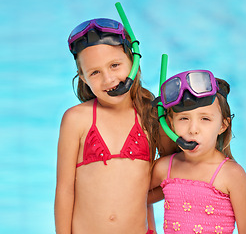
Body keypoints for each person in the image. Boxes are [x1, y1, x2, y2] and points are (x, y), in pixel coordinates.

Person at [54, 17, 174, 234]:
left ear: (133, 60)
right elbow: (64, 191)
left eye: (115, 65)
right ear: (83, 77)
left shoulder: (151, 117)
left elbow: (170, 178)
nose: (108, 79)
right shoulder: (76, 119)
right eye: (95, 72)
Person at [149, 69, 246, 233]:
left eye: (205, 119)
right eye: (184, 118)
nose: (193, 129)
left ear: (223, 125)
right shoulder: (165, 168)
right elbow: (135, 201)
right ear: (170, 124)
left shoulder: (231, 174)